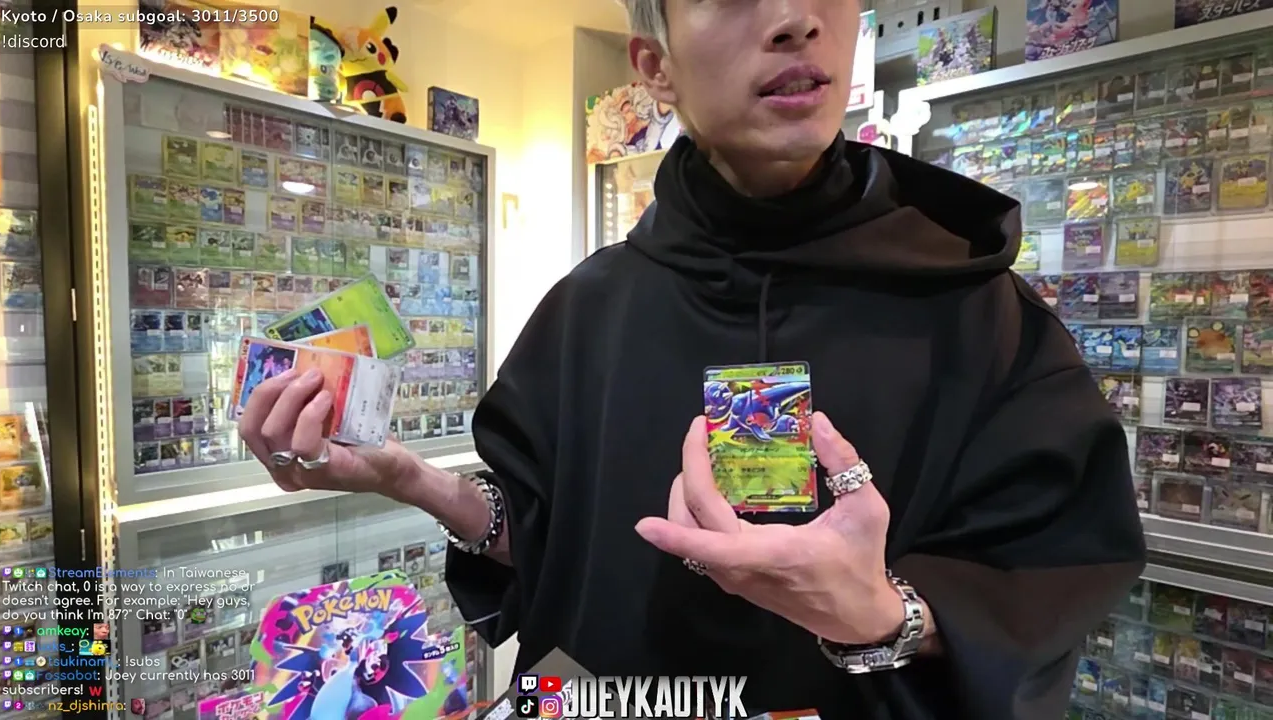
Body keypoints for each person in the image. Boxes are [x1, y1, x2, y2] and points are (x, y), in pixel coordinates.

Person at [237, 0, 1147, 716]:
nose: (793, 18)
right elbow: (553, 549)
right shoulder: (586, 311)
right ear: (655, 67)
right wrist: (412, 481)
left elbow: (1052, 573)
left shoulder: (980, 313)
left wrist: (884, 612)